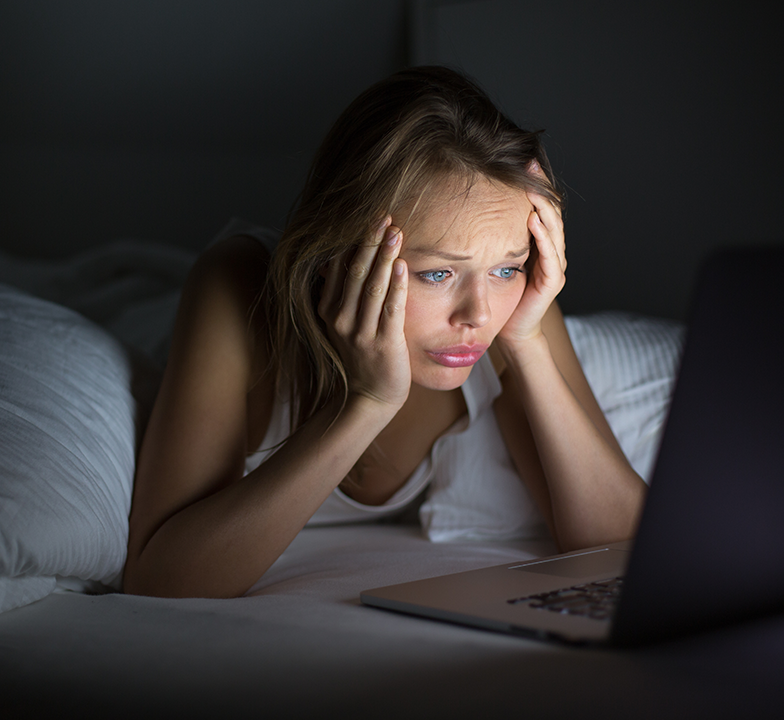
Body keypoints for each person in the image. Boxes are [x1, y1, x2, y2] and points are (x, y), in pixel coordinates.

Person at [122, 66, 646, 599]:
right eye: (437, 273)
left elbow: (622, 549)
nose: (478, 315)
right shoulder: (234, 291)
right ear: (339, 252)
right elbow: (159, 577)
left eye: (507, 267)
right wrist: (367, 401)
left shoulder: (511, 312)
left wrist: (530, 345)